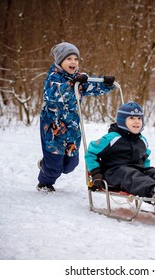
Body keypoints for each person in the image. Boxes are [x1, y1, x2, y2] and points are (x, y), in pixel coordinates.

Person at [37, 42, 115, 193]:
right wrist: (72, 83)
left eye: (76, 59)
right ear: (59, 62)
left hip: (72, 127)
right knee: (54, 163)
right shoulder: (53, 77)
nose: (73, 62)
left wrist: (106, 84)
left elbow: (92, 87)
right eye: (68, 59)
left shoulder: (78, 79)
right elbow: (53, 94)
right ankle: (45, 183)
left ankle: (48, 165)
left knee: (70, 164)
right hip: (53, 127)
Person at [85, 101, 155, 210]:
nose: (136, 122)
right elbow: (91, 153)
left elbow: (145, 157)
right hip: (114, 172)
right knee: (131, 174)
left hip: (136, 170)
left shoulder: (142, 140)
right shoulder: (112, 138)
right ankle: (153, 191)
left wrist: (146, 171)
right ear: (122, 121)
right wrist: (96, 173)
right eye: (131, 118)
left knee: (153, 171)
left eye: (139, 118)